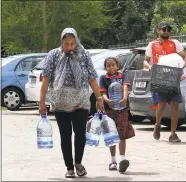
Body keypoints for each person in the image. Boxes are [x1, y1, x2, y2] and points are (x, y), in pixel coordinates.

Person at [39, 28, 104, 178]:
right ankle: (69, 167)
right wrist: (42, 102)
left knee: (80, 134)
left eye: (72, 44)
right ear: (61, 41)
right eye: (66, 43)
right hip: (60, 102)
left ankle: (78, 163)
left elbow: (92, 78)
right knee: (65, 135)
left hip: (81, 101)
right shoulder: (53, 55)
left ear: (76, 42)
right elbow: (46, 80)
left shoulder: (84, 55)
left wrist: (99, 99)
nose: (69, 47)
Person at [144, 21, 186, 142]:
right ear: (158, 30)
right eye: (164, 29)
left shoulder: (175, 43)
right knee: (161, 103)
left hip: (173, 78)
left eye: (168, 29)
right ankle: (157, 125)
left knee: (174, 104)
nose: (166, 31)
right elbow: (146, 61)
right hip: (160, 78)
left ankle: (173, 134)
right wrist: (149, 67)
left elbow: (185, 58)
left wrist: (181, 67)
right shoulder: (152, 45)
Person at [99, 57, 135, 173]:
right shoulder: (103, 78)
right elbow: (103, 92)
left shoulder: (123, 76)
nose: (111, 67)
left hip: (122, 109)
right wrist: (107, 100)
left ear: (117, 66)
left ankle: (123, 159)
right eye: (108, 66)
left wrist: (125, 98)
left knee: (122, 134)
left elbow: (125, 87)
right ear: (105, 68)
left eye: (113, 65)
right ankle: (113, 161)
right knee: (112, 135)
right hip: (109, 110)